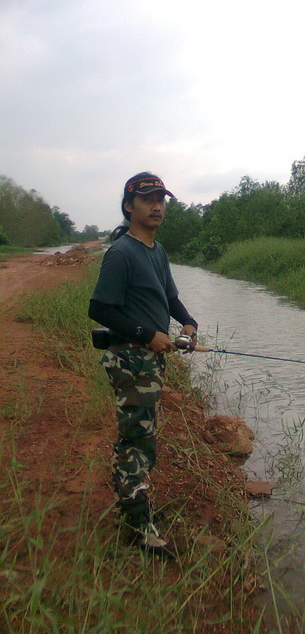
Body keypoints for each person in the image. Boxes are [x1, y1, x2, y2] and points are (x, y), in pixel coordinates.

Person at [88, 172, 198, 556]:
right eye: (148, 199)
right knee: (137, 440)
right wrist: (147, 333)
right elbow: (99, 307)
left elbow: (170, 298)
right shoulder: (121, 253)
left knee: (142, 437)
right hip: (131, 357)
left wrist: (188, 323)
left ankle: (135, 507)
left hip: (151, 359)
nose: (157, 206)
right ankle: (138, 525)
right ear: (129, 206)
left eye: (161, 199)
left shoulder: (157, 250)